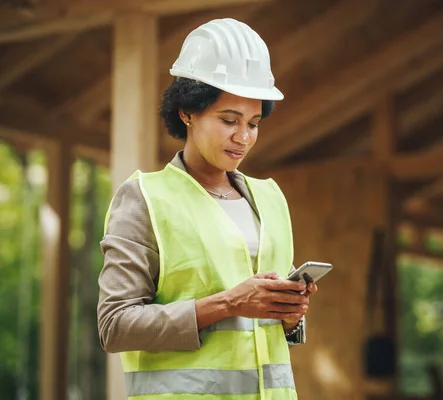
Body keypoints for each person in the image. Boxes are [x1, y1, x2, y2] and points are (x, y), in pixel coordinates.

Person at [97, 18, 318, 400]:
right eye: (228, 120)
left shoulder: (270, 198)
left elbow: (260, 335)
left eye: (253, 122)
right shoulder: (145, 198)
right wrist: (230, 303)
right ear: (187, 112)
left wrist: (290, 313)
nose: (243, 137)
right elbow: (115, 325)